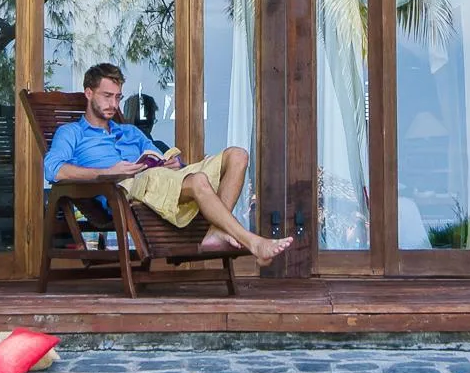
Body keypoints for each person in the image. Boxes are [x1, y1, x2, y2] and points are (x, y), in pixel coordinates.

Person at [44, 62, 295, 266]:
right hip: (123, 188)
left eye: (118, 97)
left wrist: (171, 164)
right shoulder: (71, 133)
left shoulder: (130, 132)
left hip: (158, 179)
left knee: (238, 155)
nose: (113, 104)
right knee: (198, 182)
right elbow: (53, 170)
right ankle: (253, 243)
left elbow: (154, 156)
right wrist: (107, 172)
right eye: (107, 96)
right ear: (89, 93)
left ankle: (217, 231)